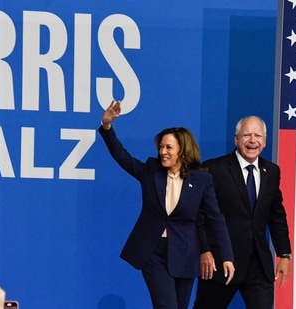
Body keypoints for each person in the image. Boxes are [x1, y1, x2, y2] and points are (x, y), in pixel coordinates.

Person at [99, 100, 235, 309]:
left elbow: (216, 218)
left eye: (169, 147)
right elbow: (123, 157)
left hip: (185, 254)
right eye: (161, 147)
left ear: (182, 150)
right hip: (154, 252)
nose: (163, 152)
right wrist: (107, 127)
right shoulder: (151, 172)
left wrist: (227, 256)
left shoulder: (201, 180)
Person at [193, 116, 292, 309]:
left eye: (258, 136)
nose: (252, 140)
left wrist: (284, 254)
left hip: (258, 265)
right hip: (221, 262)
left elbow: (276, 215)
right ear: (236, 139)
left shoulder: (271, 171)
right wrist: (205, 251)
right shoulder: (214, 169)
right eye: (247, 135)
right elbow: (199, 215)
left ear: (264, 141)